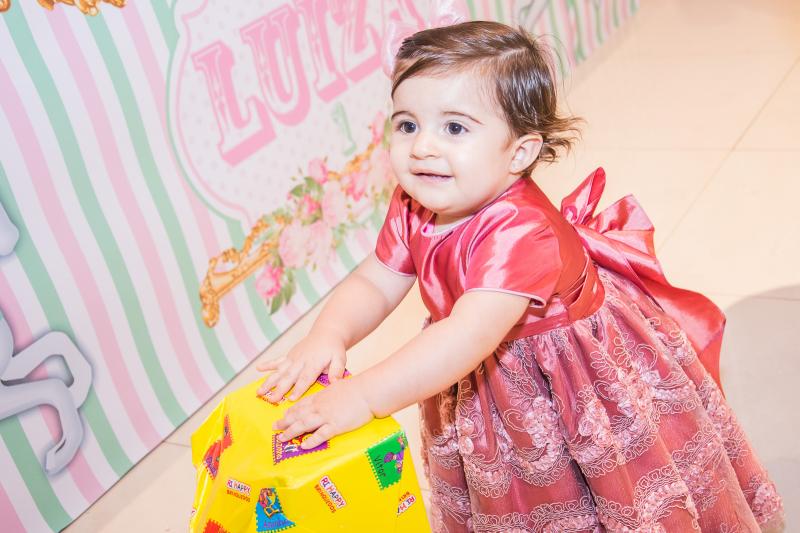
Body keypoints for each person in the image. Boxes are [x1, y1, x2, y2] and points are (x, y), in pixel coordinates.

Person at [256, 21, 783, 532]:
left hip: (563, 374)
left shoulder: (520, 231)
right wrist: (330, 333)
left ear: (521, 152)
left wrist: (364, 396)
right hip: (477, 367)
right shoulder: (414, 204)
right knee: (504, 492)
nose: (422, 147)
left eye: (454, 128)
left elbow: (467, 336)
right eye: (408, 124)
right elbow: (376, 280)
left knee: (591, 482)